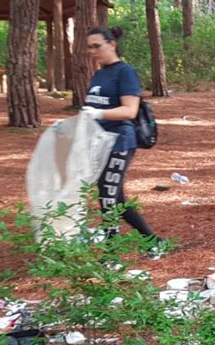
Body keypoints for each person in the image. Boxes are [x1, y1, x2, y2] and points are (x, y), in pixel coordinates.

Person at [83, 26, 163, 253]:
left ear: (112, 44)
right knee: (115, 198)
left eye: (97, 46)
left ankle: (110, 254)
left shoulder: (125, 72)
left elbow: (129, 110)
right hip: (100, 143)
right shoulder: (100, 73)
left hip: (119, 143)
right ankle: (154, 242)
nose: (93, 51)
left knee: (108, 198)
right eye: (89, 47)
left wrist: (98, 114)